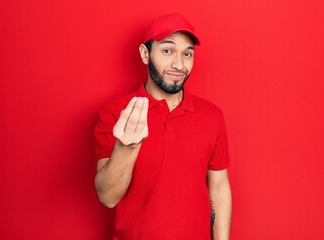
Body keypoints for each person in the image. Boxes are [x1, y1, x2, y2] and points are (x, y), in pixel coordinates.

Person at [94, 13, 232, 240]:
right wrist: (126, 147)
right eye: (167, 51)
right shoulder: (115, 112)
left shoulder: (212, 116)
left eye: (187, 54)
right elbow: (108, 197)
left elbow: (218, 188)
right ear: (145, 54)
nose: (179, 64)